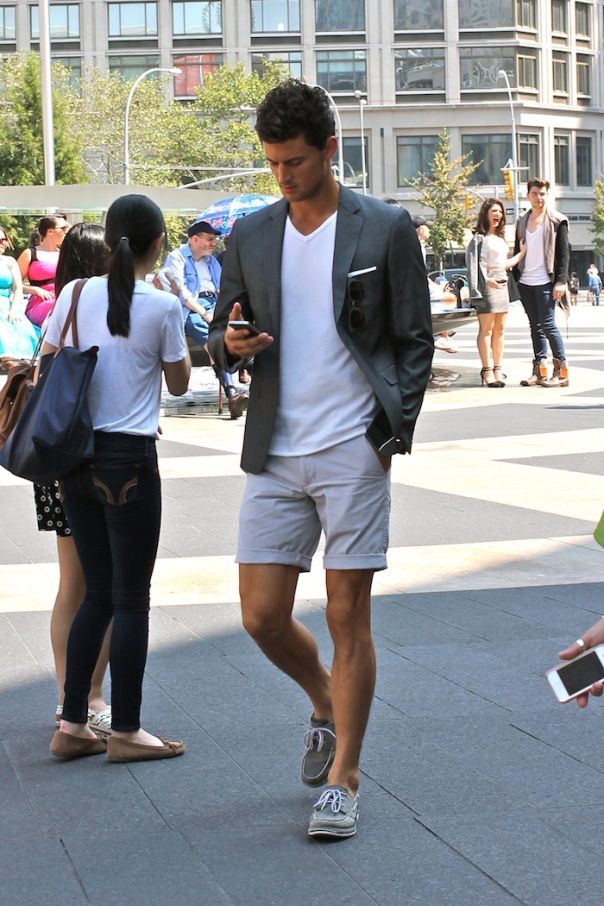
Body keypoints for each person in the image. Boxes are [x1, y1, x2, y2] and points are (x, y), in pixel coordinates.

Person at [208, 79, 433, 839]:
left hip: (353, 447)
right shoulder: (252, 234)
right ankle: (324, 702)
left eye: (295, 161)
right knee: (261, 615)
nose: (283, 175)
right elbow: (219, 333)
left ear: (330, 149)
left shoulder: (384, 228)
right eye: (272, 161)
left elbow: (414, 339)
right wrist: (228, 344)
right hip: (275, 445)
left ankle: (345, 779)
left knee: (346, 614)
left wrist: (390, 432)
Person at [47, 194, 190, 763]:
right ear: (158, 243)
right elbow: (179, 383)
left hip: (74, 458)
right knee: (131, 599)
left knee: (97, 594)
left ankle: (71, 724)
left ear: (108, 242)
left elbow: (51, 359)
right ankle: (127, 731)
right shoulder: (163, 306)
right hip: (128, 459)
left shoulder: (73, 294)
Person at [34, 223, 112, 734]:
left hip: (56, 454)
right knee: (102, 583)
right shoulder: (97, 307)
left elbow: (45, 372)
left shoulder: (59, 308)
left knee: (74, 583)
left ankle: (70, 696)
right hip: (92, 452)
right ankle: (90, 696)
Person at [161, 221, 245, 419]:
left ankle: (235, 389)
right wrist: (205, 314)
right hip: (189, 308)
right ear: (195, 239)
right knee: (212, 339)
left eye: (214, 239)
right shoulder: (177, 258)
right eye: (209, 239)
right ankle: (232, 392)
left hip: (214, 304)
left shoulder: (211, 261)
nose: (213, 243)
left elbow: (223, 287)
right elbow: (181, 293)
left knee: (237, 329)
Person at [512, 178, 570, 388]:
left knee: (548, 325)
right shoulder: (522, 220)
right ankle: (540, 371)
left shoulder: (557, 220)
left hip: (546, 280)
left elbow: (564, 252)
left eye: (542, 194)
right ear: (528, 195)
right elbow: (517, 249)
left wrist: (561, 281)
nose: (539, 198)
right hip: (525, 281)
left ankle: (562, 372)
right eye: (535, 193)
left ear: (547, 195)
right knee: (535, 326)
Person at [466, 199, 525, 387]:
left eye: (500, 211)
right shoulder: (479, 238)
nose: (498, 214)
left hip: (502, 284)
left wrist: (522, 253)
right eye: (494, 211)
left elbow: (504, 264)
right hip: (487, 287)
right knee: (487, 329)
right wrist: (486, 281)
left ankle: (498, 368)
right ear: (485, 214)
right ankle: (486, 370)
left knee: (500, 329)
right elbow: (473, 264)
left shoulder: (500, 239)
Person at [412, 216, 458, 354]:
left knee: (447, 295)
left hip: (419, 284)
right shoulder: (415, 246)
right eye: (428, 228)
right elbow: (418, 272)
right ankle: (437, 333)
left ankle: (442, 333)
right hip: (416, 287)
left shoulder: (419, 246)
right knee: (449, 298)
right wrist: (436, 287)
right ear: (420, 229)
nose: (429, 231)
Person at [17, 215, 70, 328]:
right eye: (63, 228)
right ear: (50, 231)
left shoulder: (65, 254)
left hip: (62, 299)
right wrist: (34, 290)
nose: (67, 231)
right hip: (40, 304)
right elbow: (14, 283)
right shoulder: (29, 254)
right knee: (59, 306)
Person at [0, 226, 40, 359]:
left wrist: (14, 310)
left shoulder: (9, 261)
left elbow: (17, 289)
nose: (3, 243)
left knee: (21, 330)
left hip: (7, 307)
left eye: (4, 239)